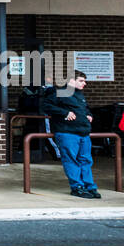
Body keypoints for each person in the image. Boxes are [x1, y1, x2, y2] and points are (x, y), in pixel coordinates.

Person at [39, 70, 100, 198]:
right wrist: (65, 113)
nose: (85, 83)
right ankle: (77, 187)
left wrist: (89, 115)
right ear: (71, 80)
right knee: (71, 160)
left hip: (83, 132)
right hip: (67, 132)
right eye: (81, 81)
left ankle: (89, 186)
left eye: (84, 81)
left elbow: (85, 109)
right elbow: (45, 106)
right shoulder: (58, 92)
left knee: (86, 160)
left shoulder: (79, 95)